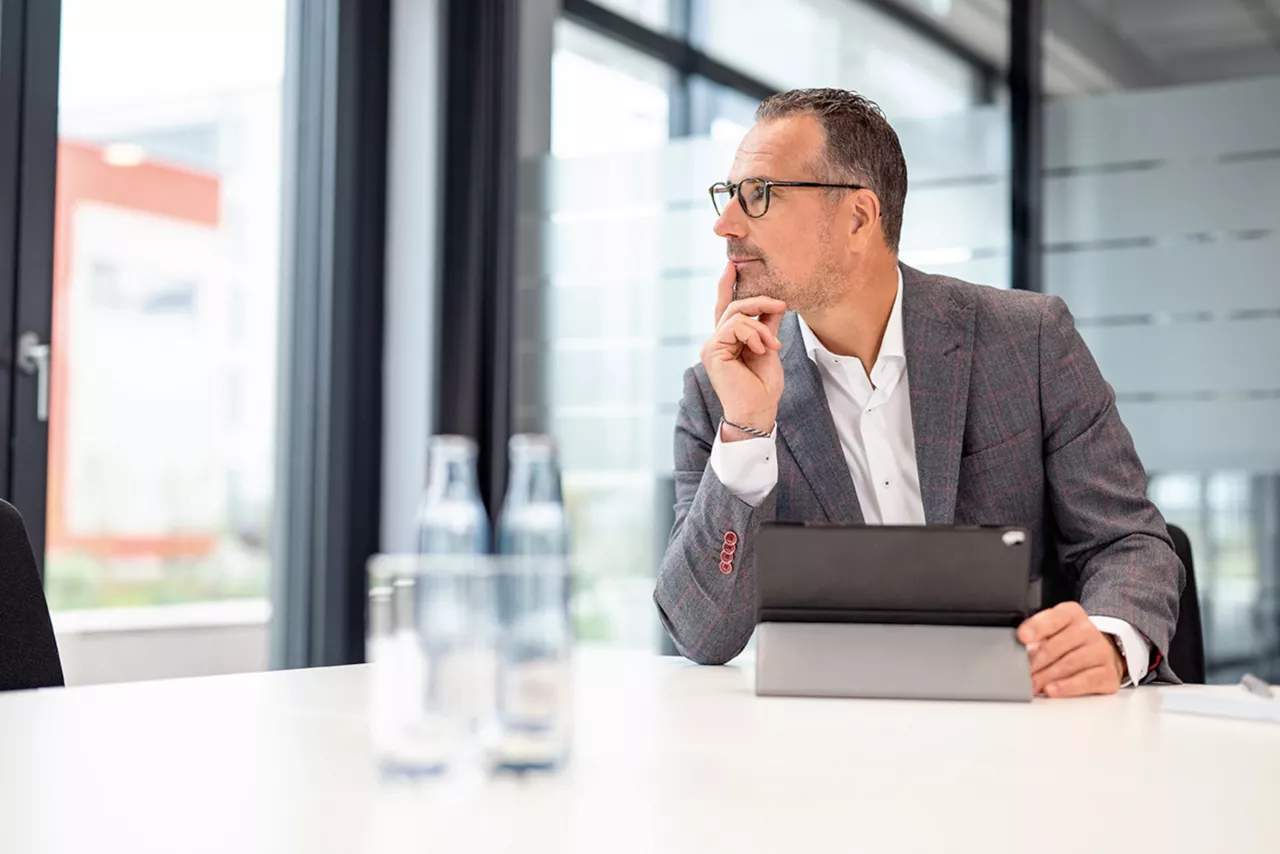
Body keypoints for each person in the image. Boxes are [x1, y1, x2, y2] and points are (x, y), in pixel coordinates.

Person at [654, 88, 1184, 696]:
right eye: (729, 196)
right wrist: (748, 430)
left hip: (1023, 735)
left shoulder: (1028, 341)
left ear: (858, 218)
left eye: (758, 194)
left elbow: (1128, 540)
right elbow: (700, 635)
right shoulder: (719, 392)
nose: (725, 224)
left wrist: (1111, 641)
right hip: (827, 754)